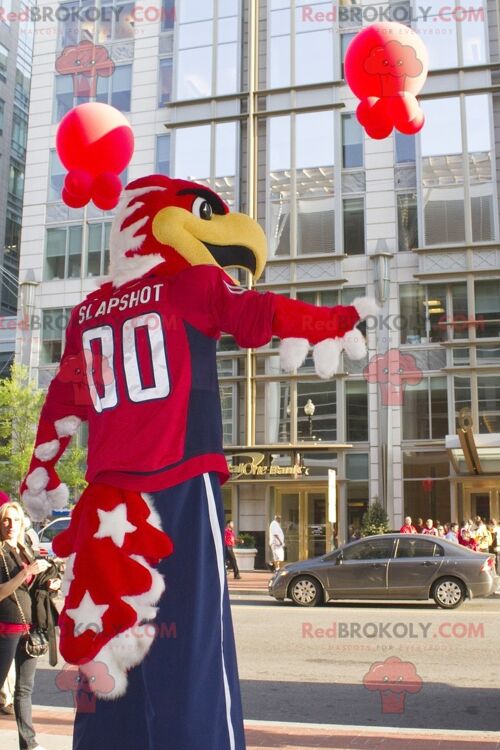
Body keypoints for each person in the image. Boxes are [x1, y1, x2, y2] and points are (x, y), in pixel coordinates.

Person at [0, 501, 61, 750]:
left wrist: (49, 583)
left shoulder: (24, 549)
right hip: (5, 629)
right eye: (5, 519)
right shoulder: (1, 552)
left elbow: (32, 587)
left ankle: (30, 744)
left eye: (14, 520)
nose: (10, 525)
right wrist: (25, 573)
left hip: (29, 629)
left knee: (24, 690)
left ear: (22, 523)